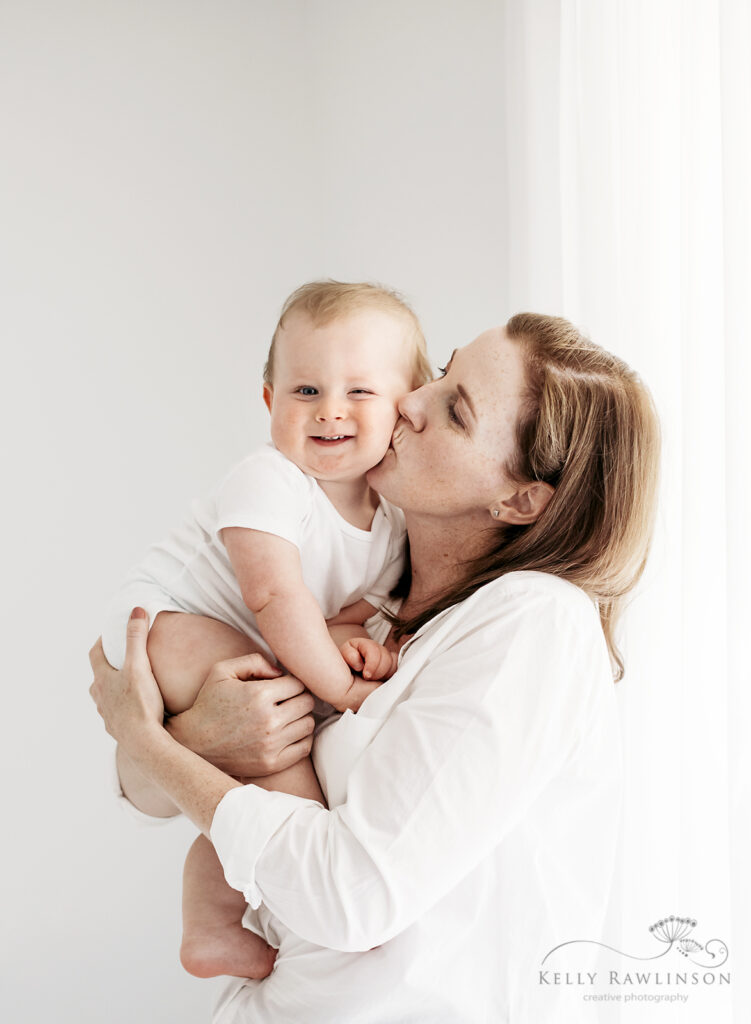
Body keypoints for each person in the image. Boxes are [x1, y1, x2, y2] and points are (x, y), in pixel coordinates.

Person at [90, 312, 660, 1023]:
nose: (410, 400)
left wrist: (148, 739)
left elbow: (349, 899)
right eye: (442, 370)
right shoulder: (373, 604)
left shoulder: (532, 621)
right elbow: (146, 796)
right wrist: (195, 741)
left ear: (519, 498)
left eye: (454, 409)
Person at [100, 280, 432, 978]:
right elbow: (274, 594)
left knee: (250, 784)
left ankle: (214, 923)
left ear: (407, 404)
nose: (329, 411)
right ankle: (327, 901)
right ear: (268, 401)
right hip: (168, 624)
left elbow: (335, 613)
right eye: (304, 391)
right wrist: (342, 686)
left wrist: (357, 642)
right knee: (283, 747)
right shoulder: (270, 479)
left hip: (241, 635)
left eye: (359, 393)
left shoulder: (393, 525)